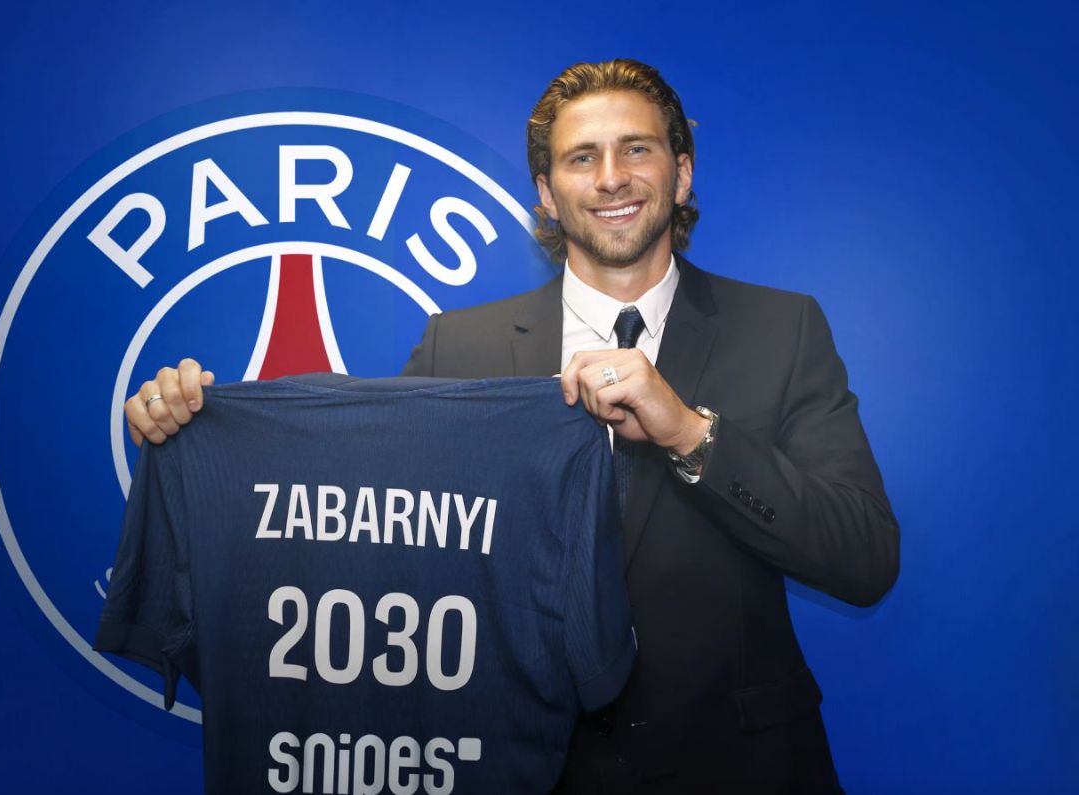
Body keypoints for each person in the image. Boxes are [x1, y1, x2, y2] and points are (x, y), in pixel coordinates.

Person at [126, 59, 899, 795]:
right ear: (546, 194)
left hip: (738, 768)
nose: (611, 178)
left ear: (682, 172)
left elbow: (864, 558)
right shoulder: (457, 346)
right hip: (523, 770)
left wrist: (688, 433)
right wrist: (198, 442)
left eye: (637, 149)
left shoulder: (782, 330)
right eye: (581, 158)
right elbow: (362, 535)